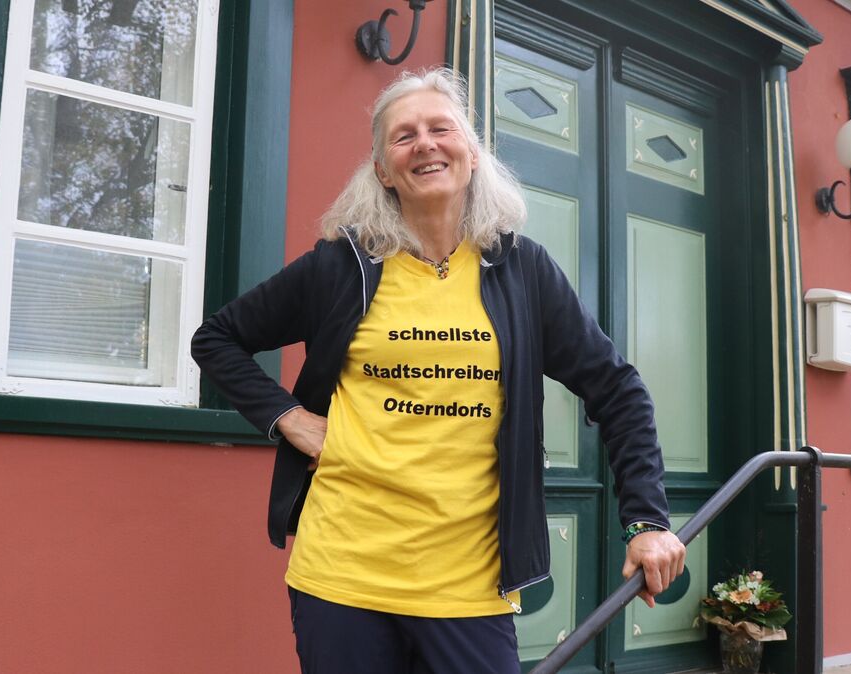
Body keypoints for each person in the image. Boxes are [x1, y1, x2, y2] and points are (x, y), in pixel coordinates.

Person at [191, 68, 685, 673]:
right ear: (381, 170)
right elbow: (217, 339)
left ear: (471, 153)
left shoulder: (522, 271)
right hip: (342, 576)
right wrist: (288, 419)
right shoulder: (341, 267)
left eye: (440, 128)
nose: (424, 143)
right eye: (403, 136)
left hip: (469, 587)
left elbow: (617, 389)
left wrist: (647, 520)